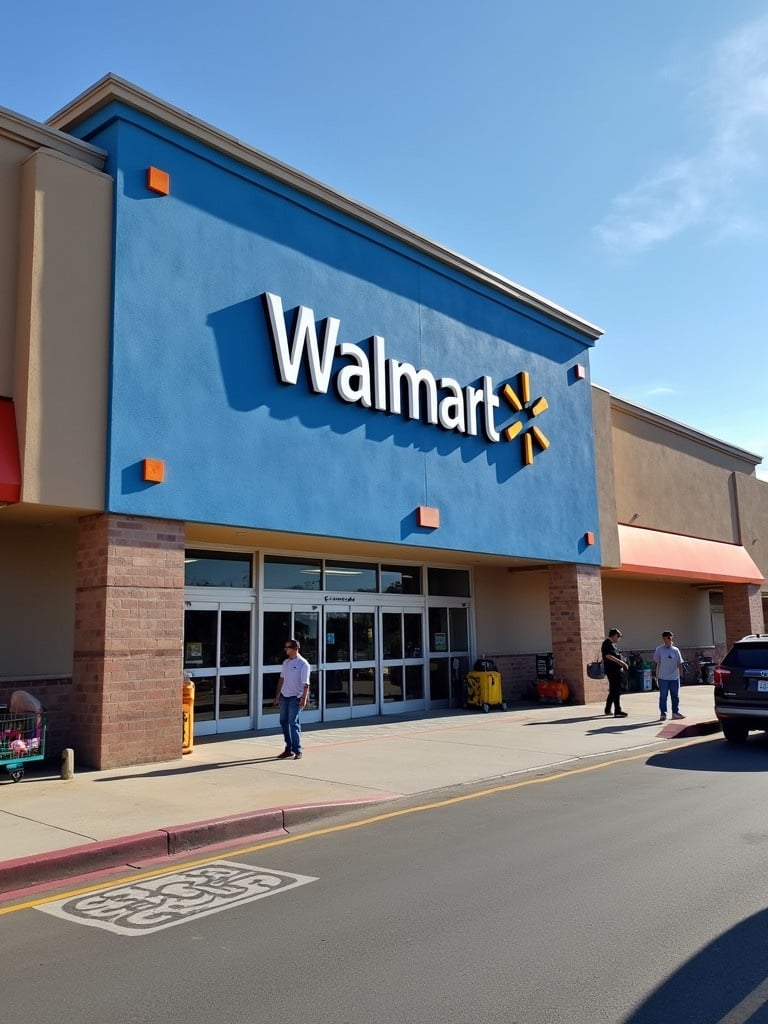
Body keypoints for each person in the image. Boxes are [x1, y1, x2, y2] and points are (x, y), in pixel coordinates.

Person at [274, 638, 310, 759]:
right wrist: (278, 696)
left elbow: (306, 684)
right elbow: (282, 679)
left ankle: (297, 749)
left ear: (295, 648)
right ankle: (288, 749)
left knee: (293, 722)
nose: (285, 649)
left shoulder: (303, 664)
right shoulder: (286, 663)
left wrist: (304, 699)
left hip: (296, 697)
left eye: (288, 647)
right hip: (285, 696)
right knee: (283, 721)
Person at [652, 630, 684, 722]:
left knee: (675, 696)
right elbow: (657, 663)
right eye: (668, 638)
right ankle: (663, 713)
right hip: (663, 678)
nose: (670, 639)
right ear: (664, 639)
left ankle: (675, 713)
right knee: (663, 696)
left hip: (674, 677)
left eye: (671, 638)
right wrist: (656, 676)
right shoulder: (659, 649)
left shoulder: (675, 650)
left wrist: (680, 674)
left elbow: (679, 663)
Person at [601, 628, 629, 718]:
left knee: (613, 690)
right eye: (618, 636)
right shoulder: (607, 643)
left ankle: (608, 709)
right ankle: (617, 710)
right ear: (613, 635)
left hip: (617, 670)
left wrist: (623, 661)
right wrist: (621, 663)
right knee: (616, 690)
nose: (619, 638)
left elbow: (616, 655)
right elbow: (608, 655)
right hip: (612, 671)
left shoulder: (614, 645)